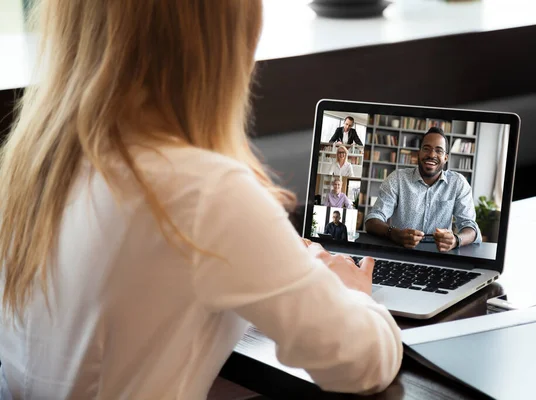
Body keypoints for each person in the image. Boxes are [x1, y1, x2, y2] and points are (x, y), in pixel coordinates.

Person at [0, 1, 403, 398]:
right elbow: (360, 364)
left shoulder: (33, 165)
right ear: (223, 38)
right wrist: (349, 294)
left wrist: (279, 268)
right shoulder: (204, 192)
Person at [364, 127, 481, 252]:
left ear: (445, 158)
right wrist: (393, 233)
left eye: (439, 151)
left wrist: (456, 240)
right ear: (418, 153)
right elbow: (372, 220)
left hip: (441, 256)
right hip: (401, 252)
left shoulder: (458, 183)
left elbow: (470, 227)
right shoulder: (397, 178)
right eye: (426, 149)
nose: (431, 155)